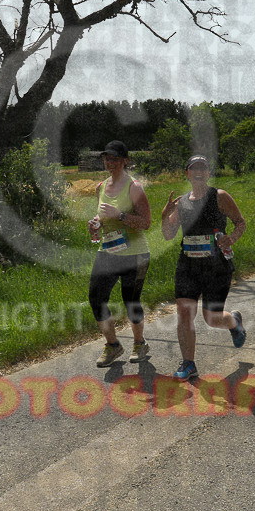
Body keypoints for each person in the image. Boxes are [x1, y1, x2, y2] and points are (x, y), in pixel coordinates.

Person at [161, 154, 247, 380]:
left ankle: (233, 321)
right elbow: (168, 235)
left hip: (216, 266)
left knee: (212, 318)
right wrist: (164, 216)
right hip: (188, 265)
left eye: (203, 168)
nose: (198, 172)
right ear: (187, 173)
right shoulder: (181, 203)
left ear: (209, 173)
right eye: (194, 168)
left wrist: (231, 238)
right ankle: (189, 363)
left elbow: (241, 223)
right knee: (184, 313)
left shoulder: (219, 197)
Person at [87, 140, 152, 367]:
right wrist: (95, 225)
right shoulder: (100, 187)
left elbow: (146, 223)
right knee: (96, 298)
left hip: (135, 254)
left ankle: (139, 343)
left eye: (114, 158)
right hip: (108, 251)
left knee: (131, 301)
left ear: (126, 161)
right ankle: (113, 345)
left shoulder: (134, 187)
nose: (109, 162)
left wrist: (120, 215)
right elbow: (103, 220)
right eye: (106, 158)